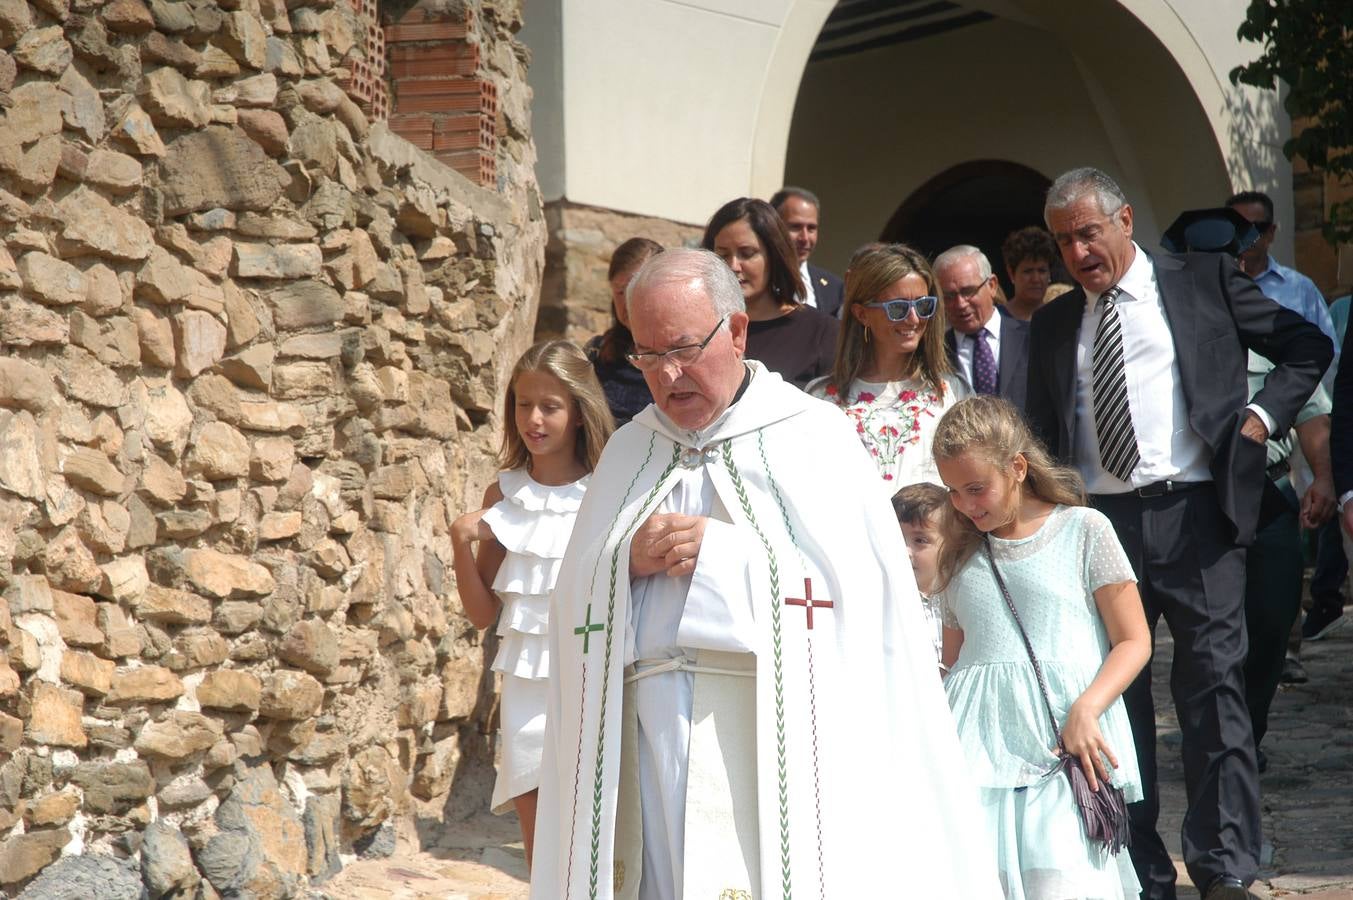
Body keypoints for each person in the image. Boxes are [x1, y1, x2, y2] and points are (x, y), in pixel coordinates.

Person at [530, 248, 1001, 899]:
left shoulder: (812, 435)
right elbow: (570, 607)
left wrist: (726, 557)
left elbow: (865, 597)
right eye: (646, 355)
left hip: (767, 734)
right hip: (648, 736)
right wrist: (621, 562)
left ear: (737, 331)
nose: (667, 376)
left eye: (684, 349)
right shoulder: (629, 450)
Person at [1025, 167, 1332, 900]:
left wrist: (1260, 421)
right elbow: (1038, 431)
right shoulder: (1055, 324)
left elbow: (1305, 346)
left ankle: (1225, 865)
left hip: (1196, 513)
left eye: (1087, 233)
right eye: (1064, 240)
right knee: (1114, 700)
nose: (1077, 252)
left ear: (1124, 220)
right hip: (1097, 526)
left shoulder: (1199, 282)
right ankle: (1136, 868)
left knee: (1213, 686)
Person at [934, 395, 1151, 900]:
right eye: (953, 492)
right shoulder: (959, 552)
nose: (966, 505)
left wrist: (1088, 707)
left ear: (1017, 467)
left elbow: (1134, 639)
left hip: (1063, 744)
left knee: (1062, 885)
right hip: (973, 755)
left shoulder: (1083, 530)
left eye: (976, 488)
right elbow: (954, 659)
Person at [450, 340, 615, 863]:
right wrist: (459, 542)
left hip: (593, 673)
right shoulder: (502, 497)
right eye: (523, 404)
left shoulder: (609, 491)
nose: (534, 419)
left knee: (595, 822)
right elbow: (482, 615)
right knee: (535, 822)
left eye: (550, 406)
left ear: (580, 412)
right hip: (524, 678)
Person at [807, 243, 969, 491]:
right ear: (861, 314)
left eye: (924, 306)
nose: (914, 319)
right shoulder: (822, 399)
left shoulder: (951, 393)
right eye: (898, 308)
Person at [1242, 351, 1334, 770]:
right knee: (1209, 633)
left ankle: (1248, 730)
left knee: (1272, 621)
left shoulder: (1275, 342)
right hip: (1200, 498)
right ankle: (1222, 738)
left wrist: (1325, 477)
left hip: (1268, 490)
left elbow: (1313, 417)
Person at [703, 197, 839, 389]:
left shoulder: (822, 332)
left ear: (774, 256)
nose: (733, 266)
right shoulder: (701, 329)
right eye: (723, 255)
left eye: (747, 253)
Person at [935, 244, 1031, 411]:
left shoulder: (1033, 337)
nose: (960, 304)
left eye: (968, 291)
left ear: (992, 285)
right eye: (949, 296)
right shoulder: (935, 352)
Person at [587, 237, 664, 426]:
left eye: (635, 288)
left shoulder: (685, 356)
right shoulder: (598, 354)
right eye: (621, 292)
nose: (628, 301)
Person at [893, 481, 948, 665]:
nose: (905, 551)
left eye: (920, 540)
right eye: (896, 539)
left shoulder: (957, 601)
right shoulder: (888, 602)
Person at [771, 186, 845, 317]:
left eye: (811, 228)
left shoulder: (835, 287)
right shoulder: (756, 281)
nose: (804, 238)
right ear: (773, 226)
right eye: (795, 227)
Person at [1001, 225, 1060, 321]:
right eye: (1028, 271)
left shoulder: (1060, 319)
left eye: (1042, 271)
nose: (1036, 279)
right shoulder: (996, 320)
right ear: (1011, 273)